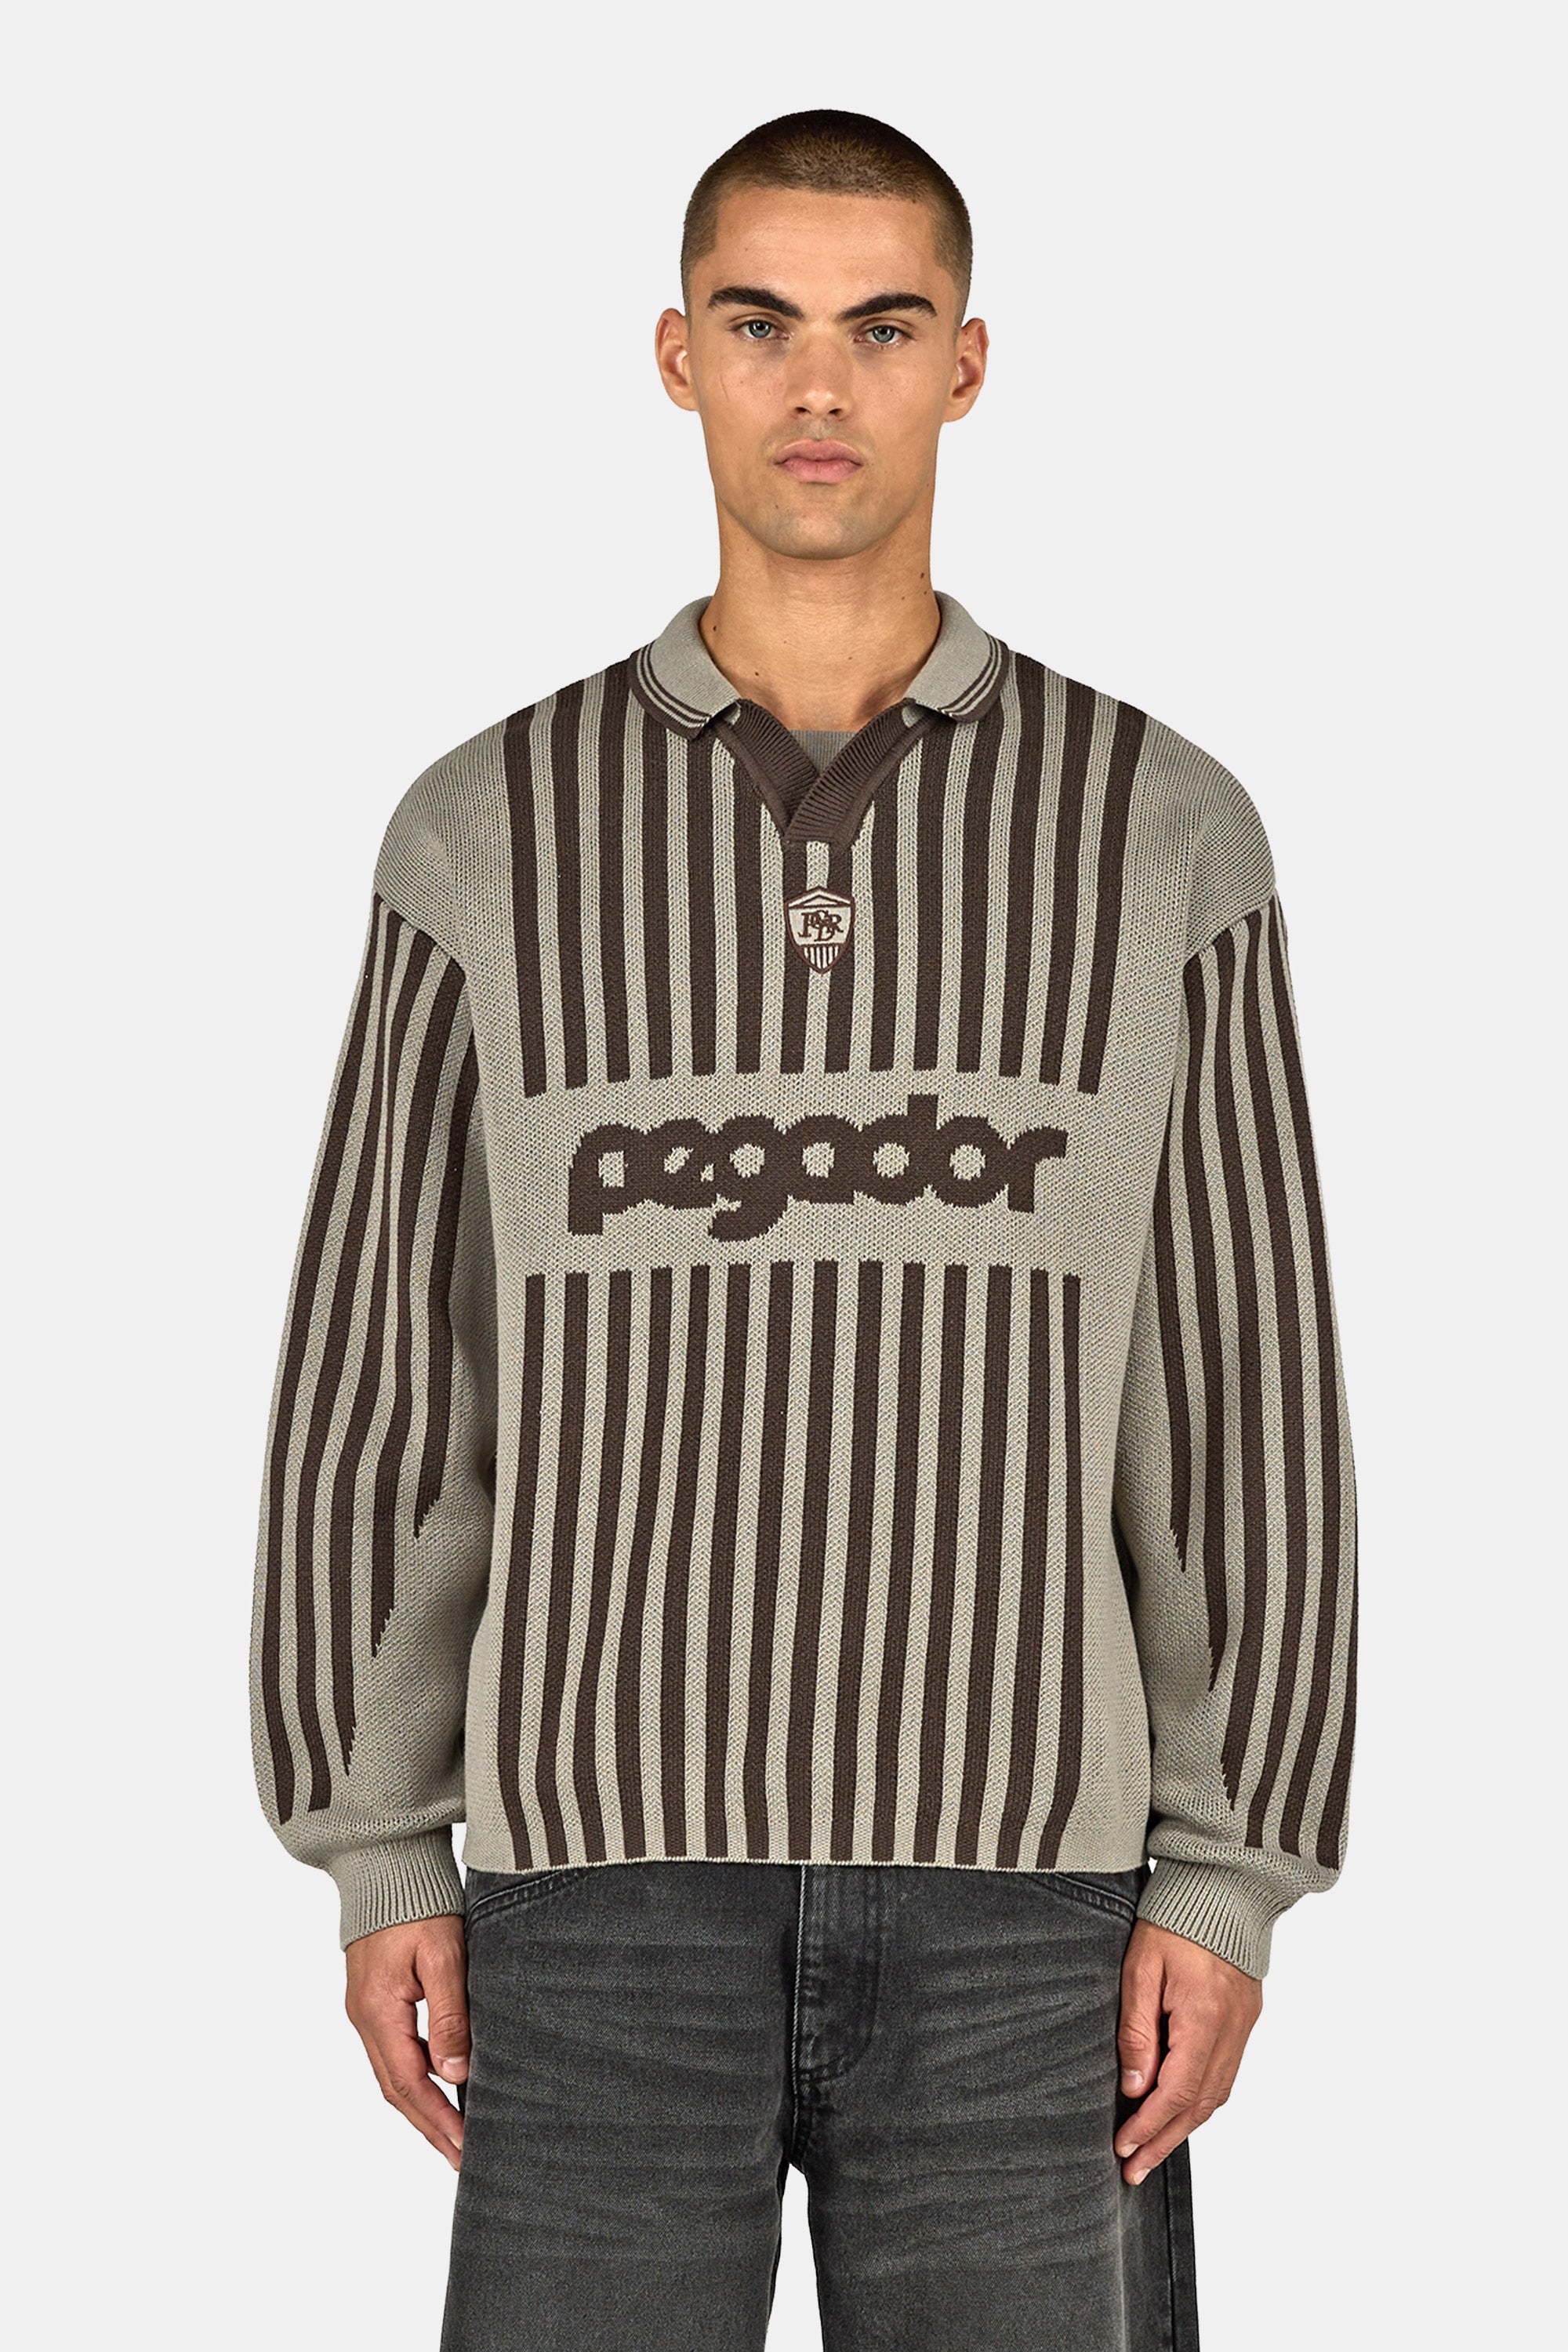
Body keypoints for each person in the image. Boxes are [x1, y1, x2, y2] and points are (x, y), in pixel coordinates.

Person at [250, 108, 1359, 2352]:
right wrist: (378, 1848)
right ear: (679, 356)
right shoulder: (485, 831)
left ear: (969, 361)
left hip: (1035, 1907)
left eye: (882, 326)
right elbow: (384, 1374)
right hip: (593, 1897)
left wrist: (1226, 1881)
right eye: (761, 326)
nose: (821, 385)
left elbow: (1243, 1390)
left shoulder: (1162, 833)